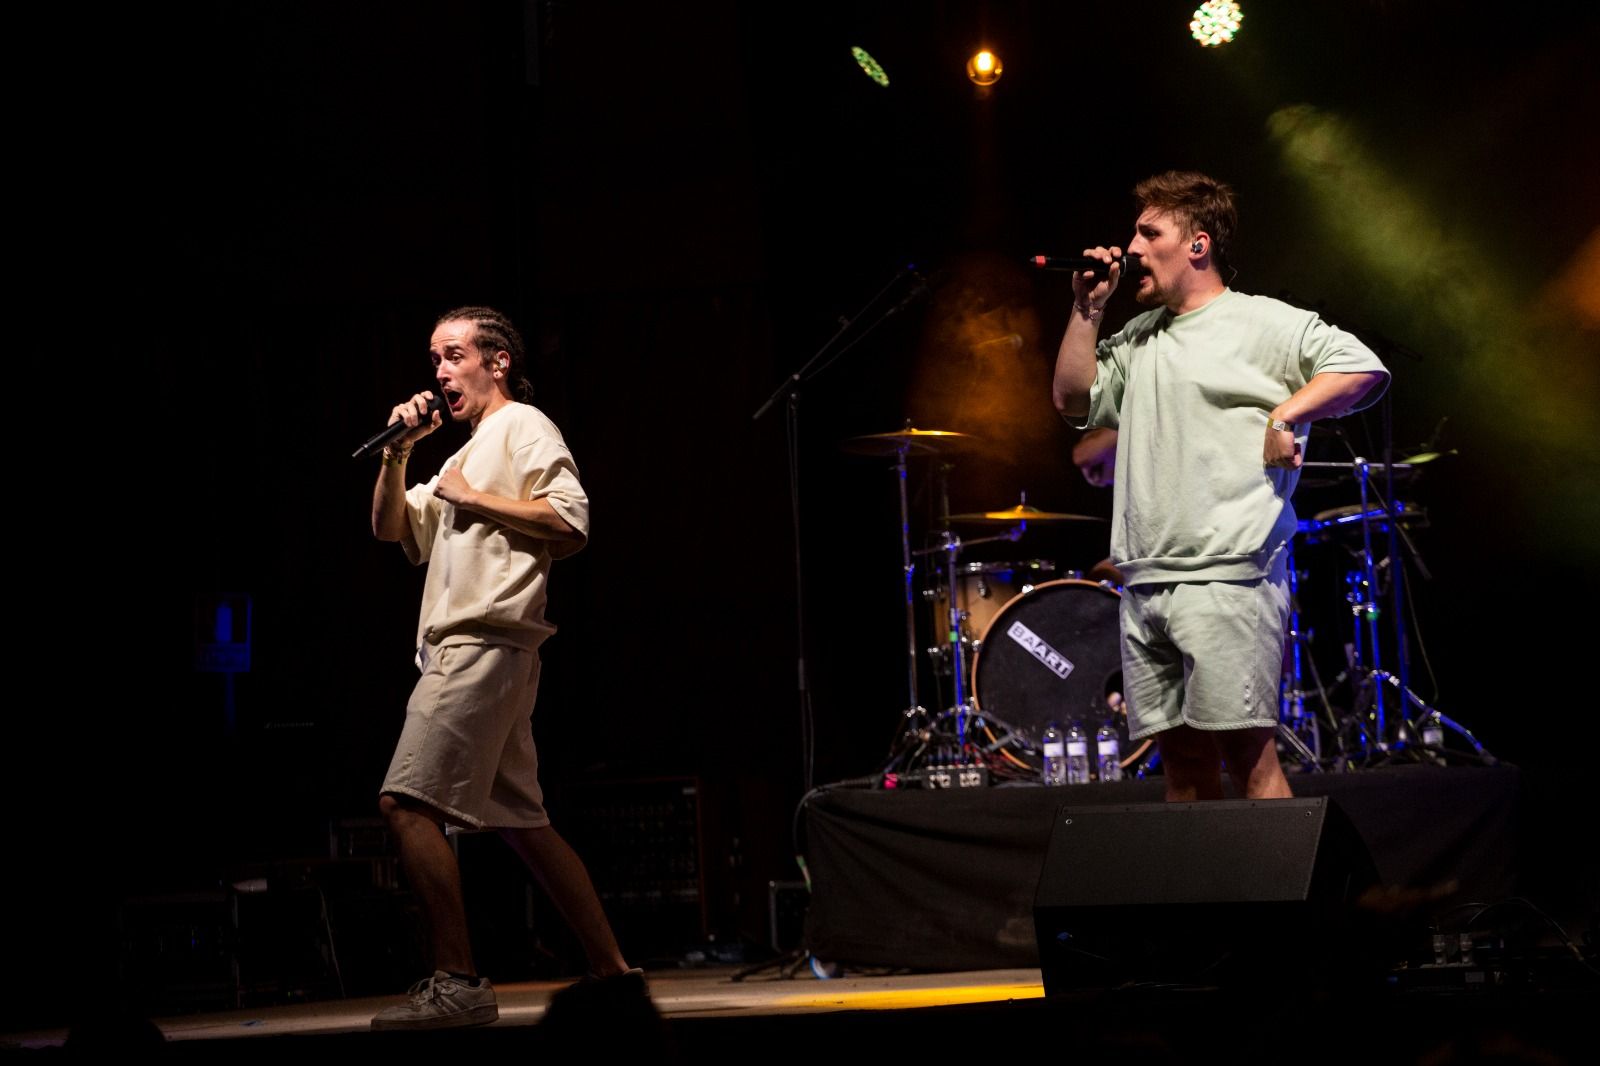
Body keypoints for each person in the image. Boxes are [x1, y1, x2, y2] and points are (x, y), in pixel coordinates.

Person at [1051, 171, 1388, 802]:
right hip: (1145, 579)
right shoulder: (1138, 336)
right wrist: (1086, 308)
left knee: (1246, 756)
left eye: (1150, 234)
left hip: (1228, 575)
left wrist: (1286, 415)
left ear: (1197, 245)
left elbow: (1363, 367)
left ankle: (1287, 903)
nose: (1131, 248)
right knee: (1181, 766)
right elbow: (1072, 399)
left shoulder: (1262, 322)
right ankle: (1202, 902)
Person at [368, 306, 641, 1029]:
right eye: (434, 357)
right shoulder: (459, 453)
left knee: (406, 804)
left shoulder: (524, 426)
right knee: (524, 823)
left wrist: (476, 499)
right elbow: (392, 528)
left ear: (496, 362)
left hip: (480, 644)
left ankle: (457, 979)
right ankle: (615, 975)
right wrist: (400, 453)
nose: (439, 370)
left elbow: (571, 521)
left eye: (453, 354)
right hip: (483, 651)